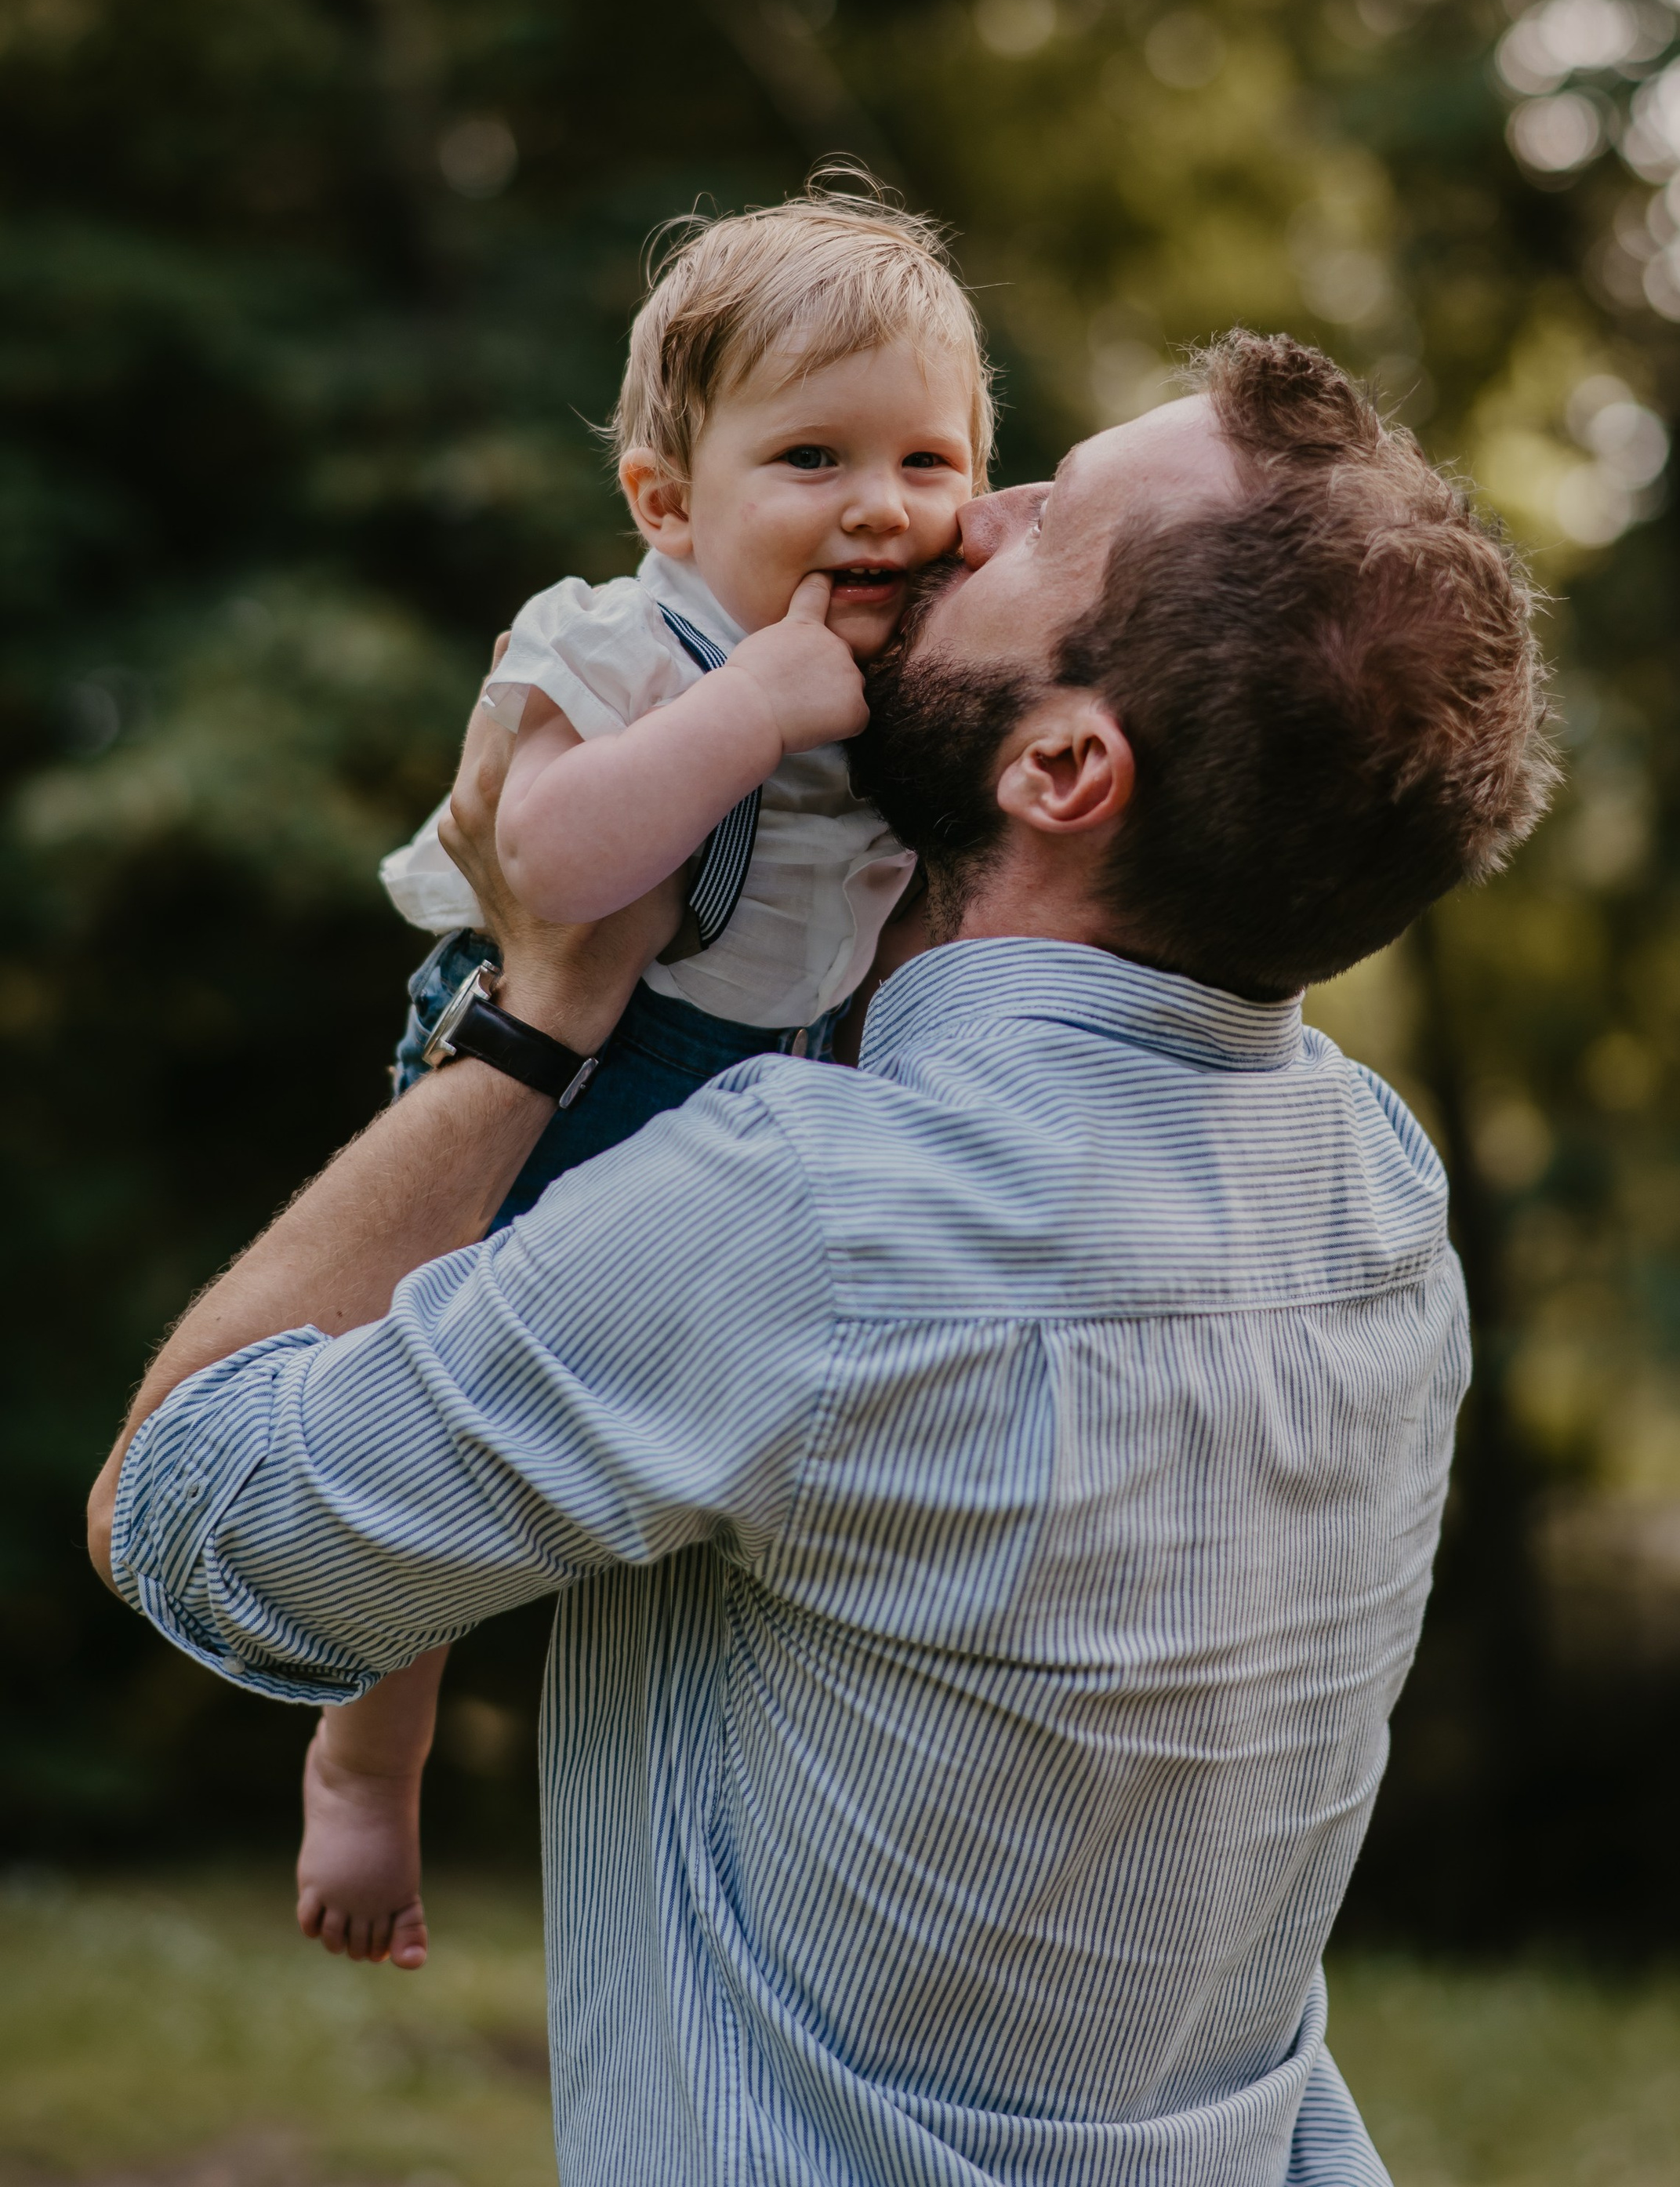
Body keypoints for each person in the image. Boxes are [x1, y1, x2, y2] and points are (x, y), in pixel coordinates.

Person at [91, 332, 1556, 2187]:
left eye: (1042, 526)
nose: (964, 512)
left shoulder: (813, 1218)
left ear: (1063, 762)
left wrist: (535, 1015)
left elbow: (190, 1514)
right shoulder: (1370, 1190)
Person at [299, 184, 988, 1967]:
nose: (879, 505)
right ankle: (367, 1758)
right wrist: (749, 711)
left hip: (754, 1116)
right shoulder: (628, 643)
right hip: (537, 1079)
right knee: (418, 1426)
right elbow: (555, 862)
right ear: (666, 504)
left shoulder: (907, 686)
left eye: (929, 459)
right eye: (812, 456)